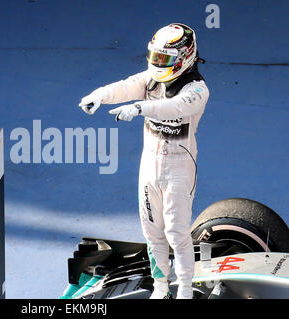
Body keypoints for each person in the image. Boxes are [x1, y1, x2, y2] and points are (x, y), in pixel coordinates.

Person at [79, 23, 209, 299]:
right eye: (156, 57)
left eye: (165, 59)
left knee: (177, 232)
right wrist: (99, 95)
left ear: (184, 58)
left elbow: (172, 107)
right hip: (149, 166)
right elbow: (126, 87)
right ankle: (161, 289)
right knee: (152, 232)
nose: (158, 64)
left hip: (179, 167)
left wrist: (140, 107)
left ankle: (185, 289)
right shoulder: (151, 79)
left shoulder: (198, 90)